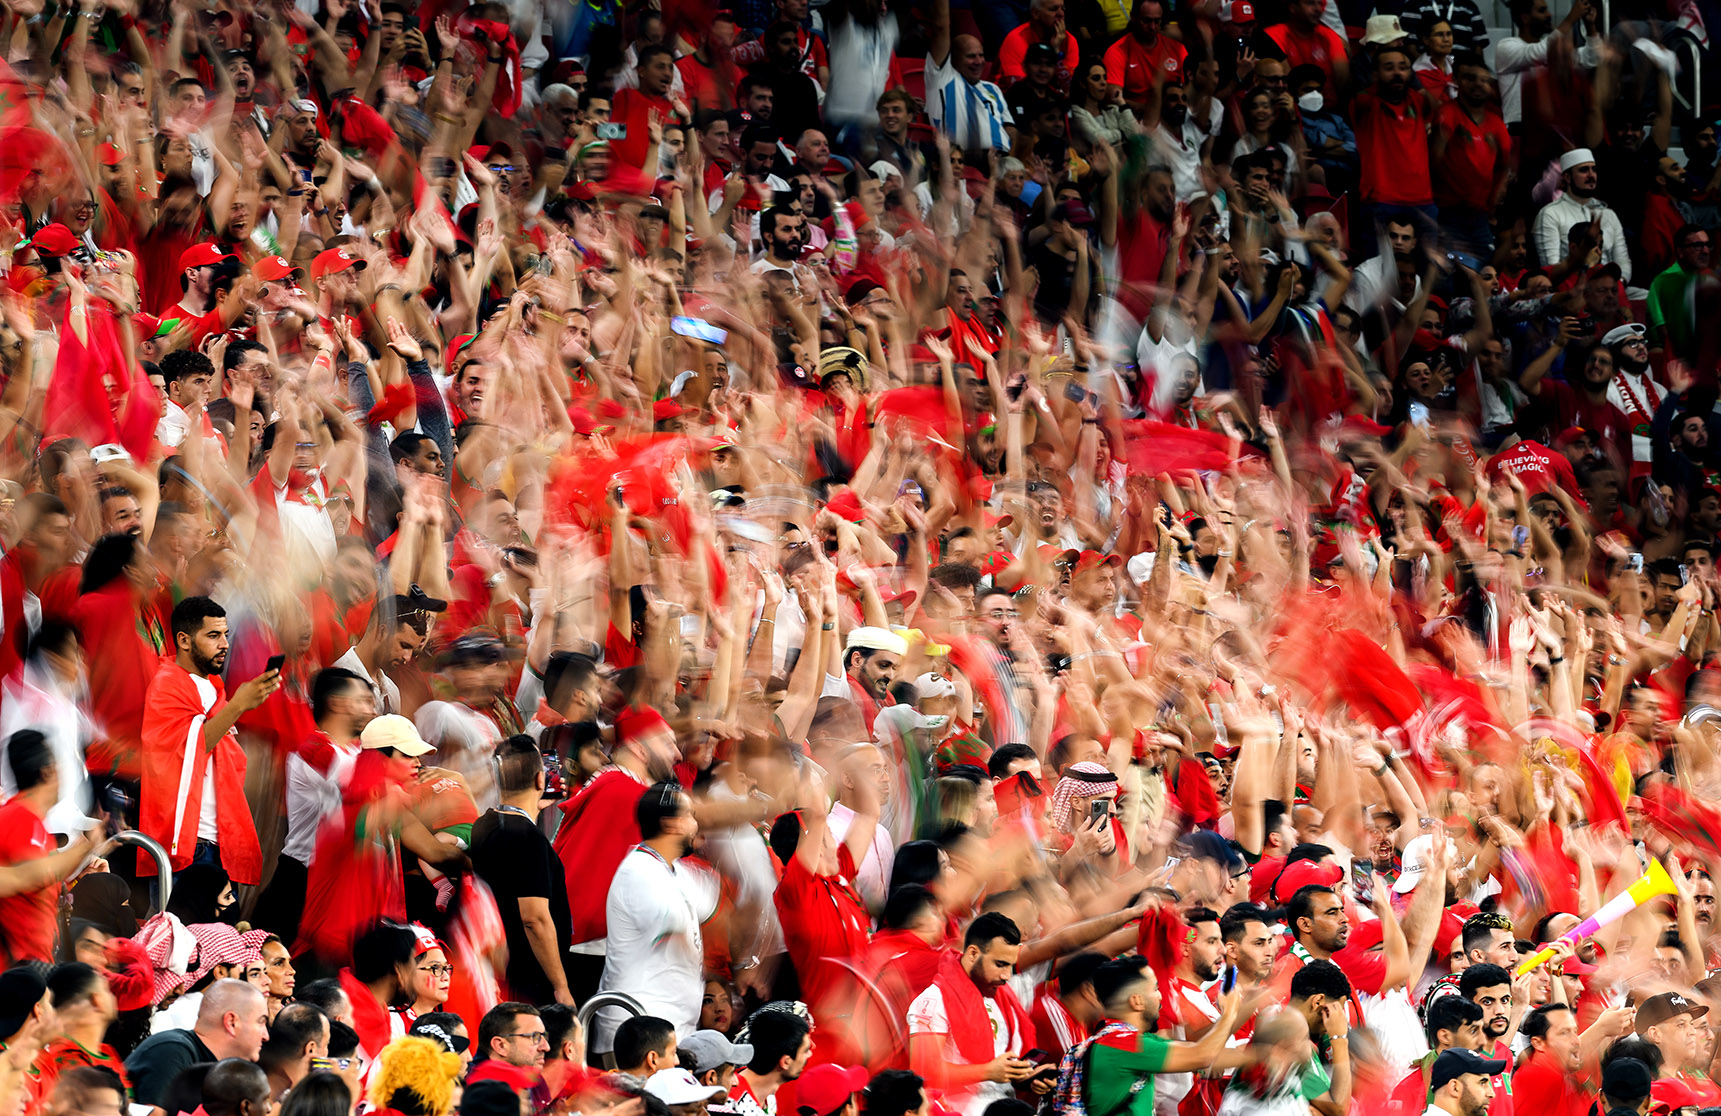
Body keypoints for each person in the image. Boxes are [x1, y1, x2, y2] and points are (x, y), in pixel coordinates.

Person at [140, 596, 278, 885]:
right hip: (187, 846)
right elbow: (186, 750)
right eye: (213, 635)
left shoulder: (216, 688)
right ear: (184, 640)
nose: (225, 644)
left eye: (226, 634)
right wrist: (238, 706)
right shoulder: (167, 685)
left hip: (221, 843)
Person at [591, 782, 719, 1055]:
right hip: (638, 1033)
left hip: (669, 1029)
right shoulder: (639, 872)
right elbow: (672, 929)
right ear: (672, 825)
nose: (696, 825)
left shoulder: (674, 869)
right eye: (691, 816)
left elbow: (715, 911)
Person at [468, 735, 574, 1007]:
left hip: (499, 974)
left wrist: (533, 808)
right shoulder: (528, 839)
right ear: (541, 780)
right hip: (528, 984)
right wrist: (561, 987)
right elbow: (535, 920)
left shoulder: (485, 824)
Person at [124, 980, 268, 1107]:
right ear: (231, 1022)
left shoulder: (224, 1073)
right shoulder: (172, 1051)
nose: (266, 1036)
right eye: (261, 1022)